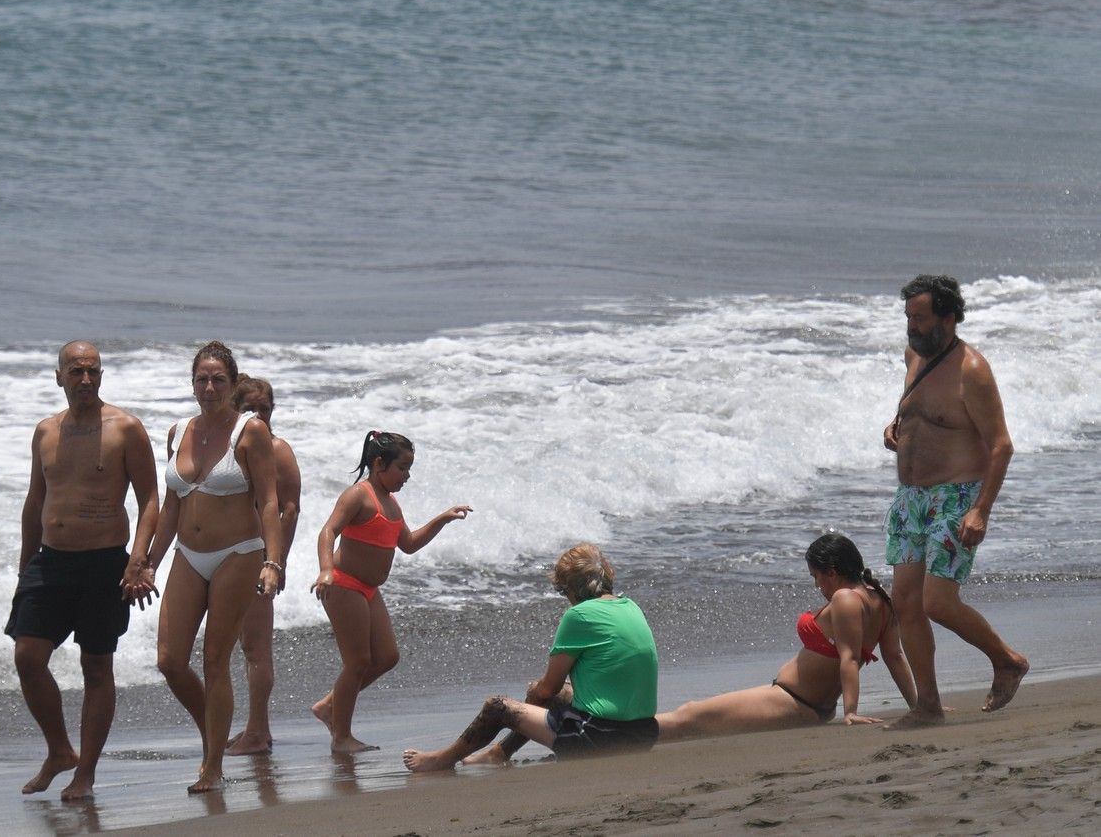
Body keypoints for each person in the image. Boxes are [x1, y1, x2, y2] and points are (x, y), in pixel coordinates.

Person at [124, 341, 286, 793]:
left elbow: (270, 501)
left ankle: (212, 766)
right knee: (170, 661)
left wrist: (273, 561)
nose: (209, 386)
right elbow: (173, 504)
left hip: (239, 552)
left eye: (218, 379)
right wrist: (148, 563)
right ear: (193, 383)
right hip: (188, 556)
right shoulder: (179, 432)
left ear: (233, 385)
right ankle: (214, 729)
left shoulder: (249, 432)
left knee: (216, 659)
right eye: (202, 378)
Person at [5, 340, 160, 801]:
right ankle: (59, 751)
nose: (85, 379)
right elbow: (36, 501)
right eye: (76, 371)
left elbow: (150, 498)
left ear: (102, 375)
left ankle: (85, 773)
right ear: (59, 376)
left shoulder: (125, 428)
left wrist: (139, 558)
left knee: (96, 665)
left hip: (104, 562)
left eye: (93, 371)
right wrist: (24, 565)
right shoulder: (45, 432)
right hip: (50, 562)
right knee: (28, 657)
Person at [881, 274, 1029, 726]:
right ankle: (927, 704)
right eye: (908, 317)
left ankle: (1007, 660)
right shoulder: (915, 355)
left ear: (948, 318)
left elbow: (1001, 445)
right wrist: (895, 427)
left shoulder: (973, 370)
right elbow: (919, 410)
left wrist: (980, 509)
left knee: (936, 602)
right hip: (911, 500)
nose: (912, 327)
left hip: (956, 497)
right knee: (904, 602)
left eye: (920, 318)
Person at [403, 542, 660, 772]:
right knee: (561, 697)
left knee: (498, 707)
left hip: (600, 738)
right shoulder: (630, 606)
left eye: (564, 592)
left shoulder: (579, 616)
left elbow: (548, 689)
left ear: (570, 588)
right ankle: (498, 753)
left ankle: (441, 760)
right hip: (643, 734)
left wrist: (534, 690)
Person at [651, 534, 916, 744]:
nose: (817, 586)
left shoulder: (845, 598)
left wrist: (850, 712)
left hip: (791, 702)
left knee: (690, 715)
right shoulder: (882, 599)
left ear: (832, 572)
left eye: (817, 577)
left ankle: (624, 736)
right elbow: (895, 657)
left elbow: (849, 658)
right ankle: (634, 734)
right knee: (699, 724)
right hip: (803, 704)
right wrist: (919, 704)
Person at [311, 431, 472, 753]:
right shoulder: (359, 495)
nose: (407, 475)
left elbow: (408, 544)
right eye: (403, 467)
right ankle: (341, 737)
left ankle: (331, 706)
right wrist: (326, 569)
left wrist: (441, 519)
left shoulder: (391, 503)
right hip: (344, 584)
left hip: (369, 589)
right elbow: (329, 530)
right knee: (357, 662)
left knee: (386, 657)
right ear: (379, 463)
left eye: (410, 468)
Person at [225, 375, 301, 756]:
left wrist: (278, 561)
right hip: (228, 557)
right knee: (238, 645)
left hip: (259, 559)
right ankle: (255, 729)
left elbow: (289, 509)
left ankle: (256, 732)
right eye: (249, 409)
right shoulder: (227, 449)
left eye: (264, 409)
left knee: (256, 648)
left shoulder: (277, 449)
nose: (258, 415)